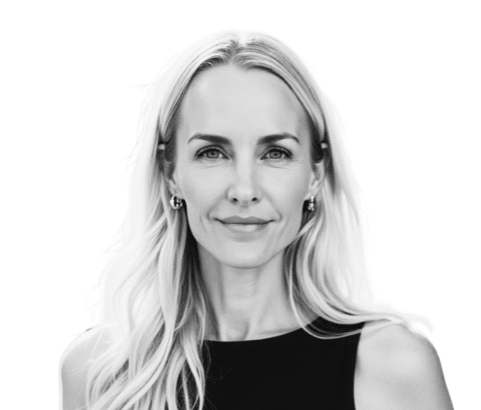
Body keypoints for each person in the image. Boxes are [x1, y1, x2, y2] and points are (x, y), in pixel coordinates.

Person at [60, 31, 454, 410]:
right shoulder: (99, 372)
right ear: (170, 172)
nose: (244, 190)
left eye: (276, 153)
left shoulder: (392, 368)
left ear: (315, 174)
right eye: (212, 152)